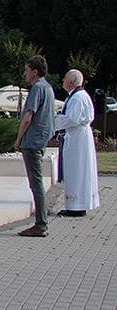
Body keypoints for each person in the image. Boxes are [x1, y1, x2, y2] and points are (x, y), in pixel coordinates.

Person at [13, 54, 56, 237]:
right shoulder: (48, 88)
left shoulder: (37, 89)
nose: (25, 73)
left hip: (32, 141)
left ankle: (40, 224)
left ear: (34, 72)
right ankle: (41, 222)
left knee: (36, 183)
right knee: (36, 182)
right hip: (41, 139)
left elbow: (28, 117)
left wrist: (18, 139)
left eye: (26, 70)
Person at [55, 69, 100, 217]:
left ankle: (77, 205)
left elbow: (72, 119)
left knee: (77, 170)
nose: (62, 81)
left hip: (77, 138)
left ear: (72, 81)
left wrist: (53, 121)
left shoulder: (78, 97)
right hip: (76, 137)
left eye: (65, 78)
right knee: (75, 170)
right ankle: (74, 204)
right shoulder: (74, 96)